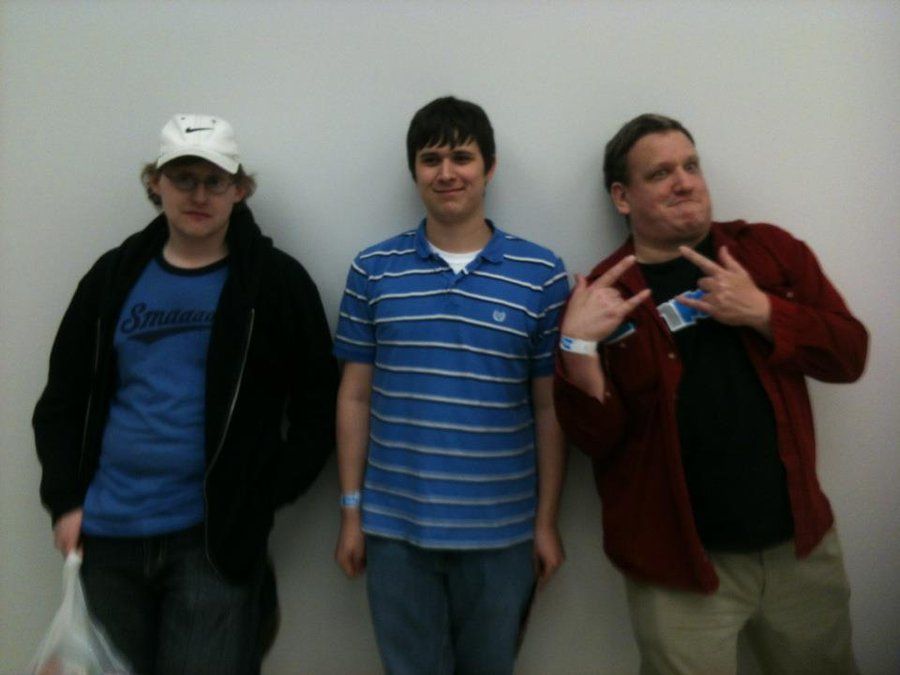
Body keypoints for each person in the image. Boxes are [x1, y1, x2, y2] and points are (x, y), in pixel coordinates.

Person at [554, 113, 868, 675]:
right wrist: (577, 348)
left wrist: (765, 312)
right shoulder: (603, 297)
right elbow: (596, 441)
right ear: (622, 197)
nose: (684, 182)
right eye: (661, 173)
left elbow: (850, 356)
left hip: (800, 552)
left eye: (691, 166)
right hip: (678, 570)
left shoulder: (768, 254)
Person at [32, 114, 338, 674]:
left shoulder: (274, 285)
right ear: (156, 184)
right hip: (109, 535)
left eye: (214, 181)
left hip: (213, 543)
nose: (199, 195)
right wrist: (65, 501)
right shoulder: (112, 278)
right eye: (183, 179)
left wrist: (260, 496)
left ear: (239, 189)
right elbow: (62, 401)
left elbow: (320, 405)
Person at [333, 96, 569, 674]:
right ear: (414, 171)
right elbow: (354, 397)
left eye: (462, 157)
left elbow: (549, 410)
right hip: (394, 532)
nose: (446, 173)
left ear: (489, 167)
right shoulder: (373, 269)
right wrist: (351, 513)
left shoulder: (541, 274)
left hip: (503, 534)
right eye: (430, 159)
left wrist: (545, 523)